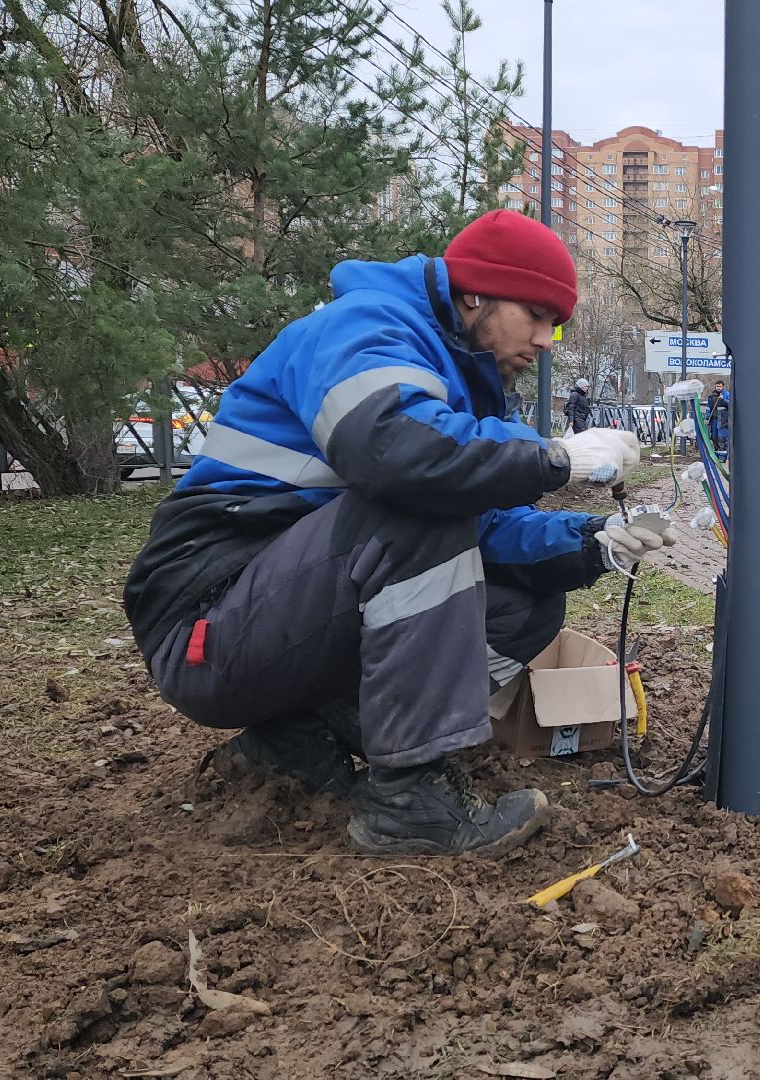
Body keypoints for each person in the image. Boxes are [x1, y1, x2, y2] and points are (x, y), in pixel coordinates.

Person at [123, 209, 676, 857]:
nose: (547, 338)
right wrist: (551, 456)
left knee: (525, 602)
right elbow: (390, 451)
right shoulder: (364, 329)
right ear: (475, 294)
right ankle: (410, 800)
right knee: (416, 508)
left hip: (271, 615)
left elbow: (487, 532)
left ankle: (312, 736)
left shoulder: (458, 379)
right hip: (204, 623)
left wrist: (594, 540)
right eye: (536, 314)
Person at [706, 379, 731, 454]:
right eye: (717, 386)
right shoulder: (711, 395)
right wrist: (707, 417)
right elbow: (708, 407)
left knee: (722, 437)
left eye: (720, 386)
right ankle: (716, 452)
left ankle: (723, 454)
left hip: (723, 419)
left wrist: (723, 399)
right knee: (714, 436)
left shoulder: (727, 394)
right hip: (714, 418)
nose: (718, 387)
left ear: (723, 386)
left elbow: (730, 405)